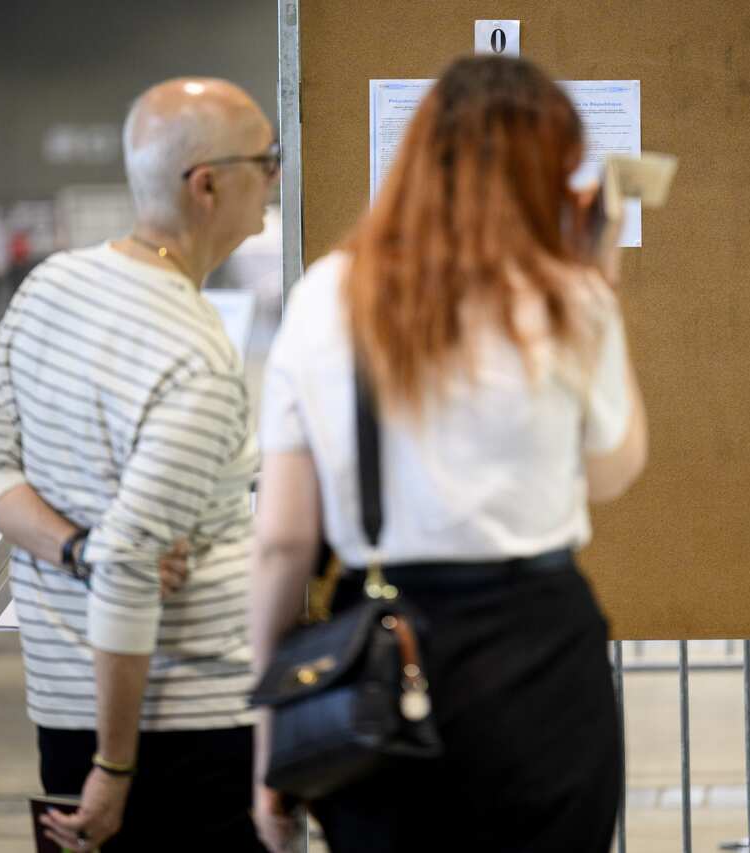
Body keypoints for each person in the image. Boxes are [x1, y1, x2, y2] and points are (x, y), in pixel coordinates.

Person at [250, 55, 645, 853]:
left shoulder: (328, 295)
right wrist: (601, 280)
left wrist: (270, 734)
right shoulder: (568, 295)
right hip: (542, 650)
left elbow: (284, 540)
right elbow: (612, 469)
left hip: (380, 655)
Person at [0, 77, 278, 851]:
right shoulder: (192, 354)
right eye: (267, 158)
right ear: (205, 185)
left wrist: (76, 549)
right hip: (171, 731)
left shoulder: (51, 288)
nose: (276, 174)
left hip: (67, 711)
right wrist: (115, 764)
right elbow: (132, 566)